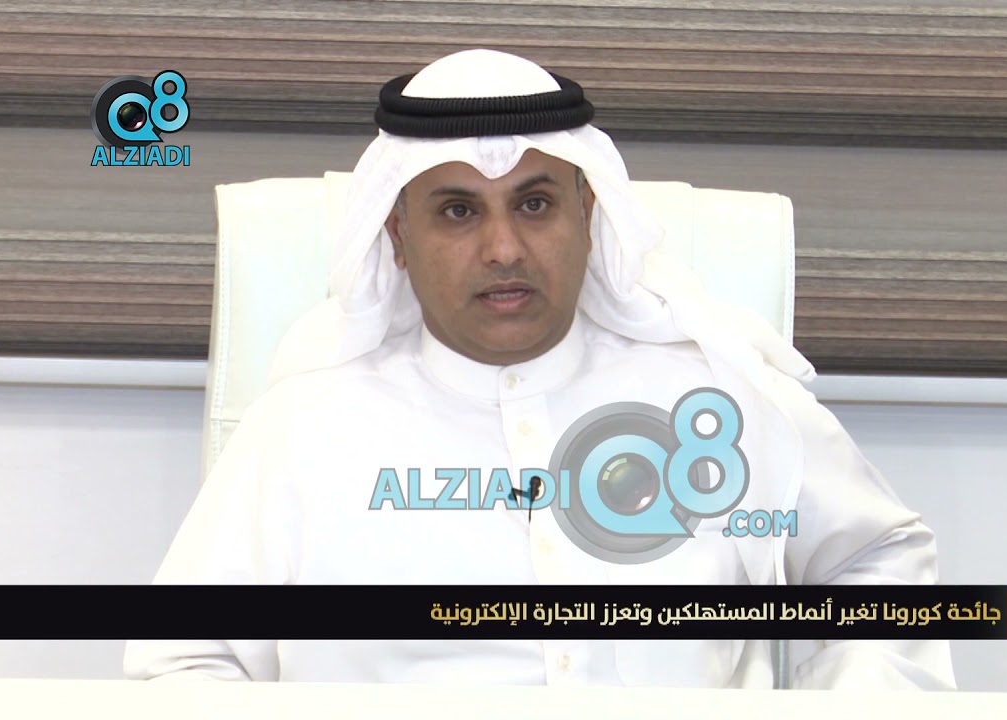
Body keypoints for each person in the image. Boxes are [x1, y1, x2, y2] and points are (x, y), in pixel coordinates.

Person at [123, 48, 956, 690]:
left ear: (588, 214)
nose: (503, 248)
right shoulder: (304, 429)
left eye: (534, 202)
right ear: (398, 238)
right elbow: (185, 658)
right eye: (458, 211)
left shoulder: (715, 394)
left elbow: (875, 558)